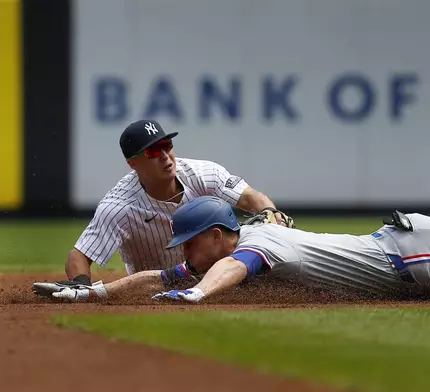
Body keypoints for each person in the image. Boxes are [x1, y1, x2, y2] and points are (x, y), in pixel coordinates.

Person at [37, 152, 430, 303]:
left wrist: (196, 293)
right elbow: (152, 275)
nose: (183, 253)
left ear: (220, 232)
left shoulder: (256, 245)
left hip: (411, 255)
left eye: (189, 241)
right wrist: (96, 291)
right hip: (405, 250)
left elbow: (228, 269)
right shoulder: (218, 248)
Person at [33, 119, 292, 293]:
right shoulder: (120, 205)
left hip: (222, 278)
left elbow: (251, 198)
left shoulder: (201, 173)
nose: (165, 156)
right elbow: (79, 256)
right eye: (152, 152)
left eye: (167, 146)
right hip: (158, 288)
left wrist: (271, 212)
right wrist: (80, 285)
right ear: (132, 163)